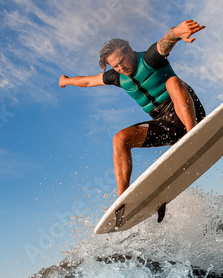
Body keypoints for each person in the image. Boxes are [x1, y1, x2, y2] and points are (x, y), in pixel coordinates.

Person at [59, 19, 206, 195]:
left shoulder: (150, 59)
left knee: (172, 82)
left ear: (130, 50)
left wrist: (176, 32)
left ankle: (193, 137)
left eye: (122, 61)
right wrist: (66, 81)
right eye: (116, 66)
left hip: (190, 114)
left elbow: (165, 41)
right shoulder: (117, 77)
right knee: (120, 138)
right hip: (166, 124)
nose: (121, 68)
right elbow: (88, 81)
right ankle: (123, 198)